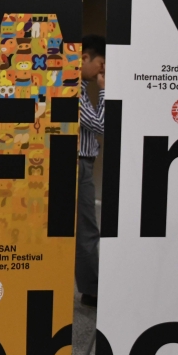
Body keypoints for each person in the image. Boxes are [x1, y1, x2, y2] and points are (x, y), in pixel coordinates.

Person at [76, 35, 105, 307]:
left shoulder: (81, 87)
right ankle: (93, 290)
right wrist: (105, 90)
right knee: (86, 228)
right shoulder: (74, 86)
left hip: (84, 161)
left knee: (85, 228)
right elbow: (101, 125)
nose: (101, 71)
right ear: (84, 57)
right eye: (100, 63)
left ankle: (90, 287)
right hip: (79, 164)